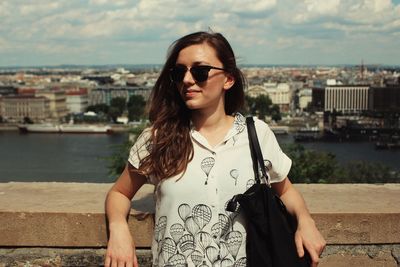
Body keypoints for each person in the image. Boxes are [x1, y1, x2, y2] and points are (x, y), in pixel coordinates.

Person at [105, 31, 326, 267]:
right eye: (179, 73)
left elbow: (285, 190)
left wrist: (305, 221)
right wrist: (119, 230)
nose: (188, 80)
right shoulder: (158, 138)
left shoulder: (256, 135)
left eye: (200, 72)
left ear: (228, 79)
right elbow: (120, 193)